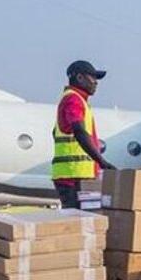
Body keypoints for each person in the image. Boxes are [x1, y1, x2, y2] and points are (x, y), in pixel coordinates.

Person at [52, 60, 115, 208]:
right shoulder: (73, 99)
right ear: (80, 77)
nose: (96, 82)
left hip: (75, 175)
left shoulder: (76, 100)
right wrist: (102, 161)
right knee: (76, 219)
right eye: (93, 77)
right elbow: (79, 131)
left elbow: (56, 133)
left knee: (81, 218)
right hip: (73, 176)